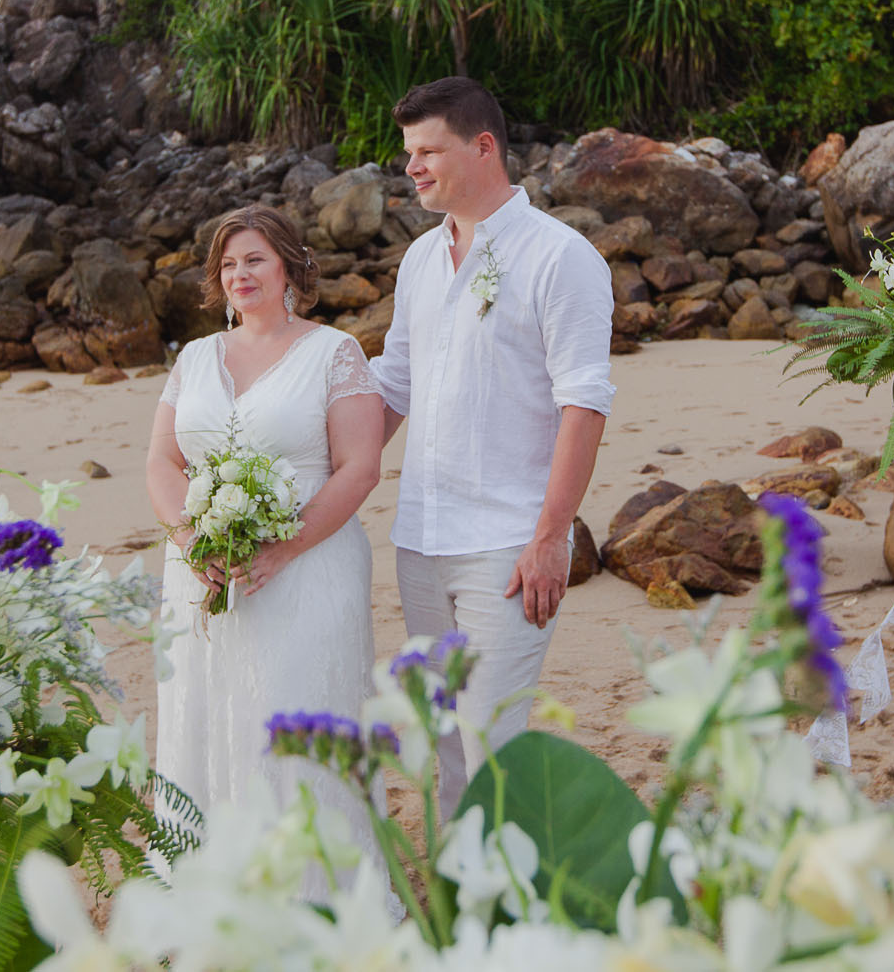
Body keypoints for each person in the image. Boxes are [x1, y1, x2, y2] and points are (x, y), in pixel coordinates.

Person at [369, 77, 615, 816]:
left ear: (483, 147)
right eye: (408, 152)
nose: (412, 166)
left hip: (507, 547)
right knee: (442, 740)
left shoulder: (560, 258)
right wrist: (330, 476)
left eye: (427, 149)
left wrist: (550, 536)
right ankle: (458, 907)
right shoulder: (418, 259)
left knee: (491, 746)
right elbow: (395, 384)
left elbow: (585, 401)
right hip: (420, 538)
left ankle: (508, 908)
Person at [143, 206, 386, 893]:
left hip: (309, 566)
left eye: (254, 258)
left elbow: (359, 467)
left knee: (293, 716)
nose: (239, 274)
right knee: (204, 712)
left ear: (288, 265)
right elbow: (162, 461)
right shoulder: (194, 358)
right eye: (227, 264)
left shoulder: (333, 353)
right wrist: (190, 541)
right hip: (202, 573)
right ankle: (211, 888)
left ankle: (310, 893)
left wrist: (284, 548)